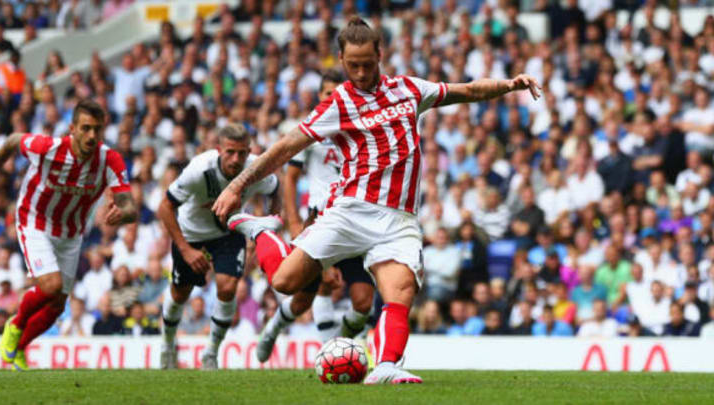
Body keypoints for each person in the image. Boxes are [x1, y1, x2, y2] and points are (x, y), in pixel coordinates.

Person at [213, 17, 540, 384]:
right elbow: (286, 146)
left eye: (368, 63)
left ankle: (385, 367)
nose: (361, 71)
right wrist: (237, 186)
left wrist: (509, 85)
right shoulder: (338, 103)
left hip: (399, 219)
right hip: (351, 211)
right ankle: (260, 230)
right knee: (286, 283)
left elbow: (468, 91)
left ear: (381, 55)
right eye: (353, 65)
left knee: (399, 293)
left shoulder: (409, 89)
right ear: (340, 59)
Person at [0, 99, 137, 371]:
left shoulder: (109, 159)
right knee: (50, 286)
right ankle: (15, 325)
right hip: (35, 221)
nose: (92, 136)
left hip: (71, 233)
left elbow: (129, 204)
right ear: (72, 128)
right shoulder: (48, 148)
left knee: (59, 304)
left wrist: (124, 214)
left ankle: (19, 347)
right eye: (85, 128)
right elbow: (14, 139)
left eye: (97, 129)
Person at [261, 69, 375, 357]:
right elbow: (290, 177)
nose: (334, 97)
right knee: (305, 298)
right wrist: (296, 221)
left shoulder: (362, 127)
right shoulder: (311, 128)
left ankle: (339, 344)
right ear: (321, 96)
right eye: (328, 93)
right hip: (320, 218)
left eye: (339, 92)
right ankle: (276, 329)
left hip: (357, 218)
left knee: (363, 303)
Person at [157, 123, 280, 370]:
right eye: (230, 152)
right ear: (218, 150)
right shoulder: (199, 170)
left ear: (249, 152)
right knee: (180, 294)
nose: (236, 159)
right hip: (191, 235)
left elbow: (276, 190)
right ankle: (167, 345)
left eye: (242, 153)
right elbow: (165, 207)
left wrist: (266, 230)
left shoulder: (257, 170)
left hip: (229, 232)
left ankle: (211, 353)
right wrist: (185, 249)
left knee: (228, 287)